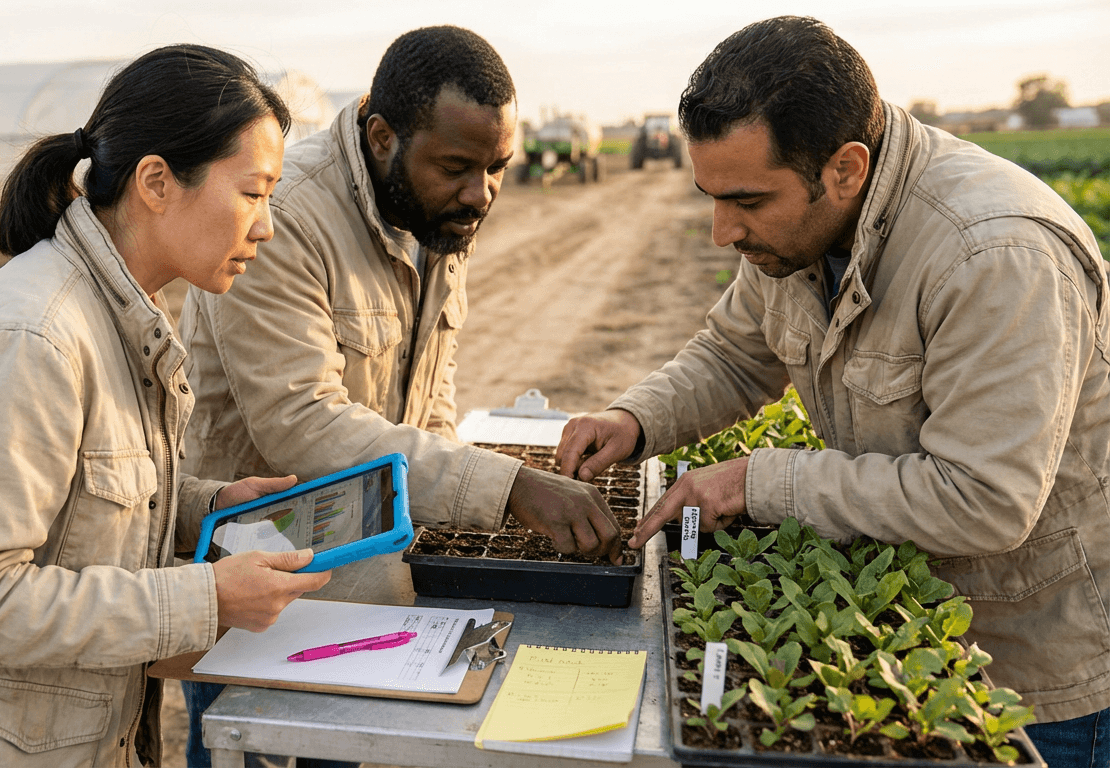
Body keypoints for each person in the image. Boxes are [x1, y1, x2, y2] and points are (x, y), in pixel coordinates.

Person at [556, 15, 1110, 768]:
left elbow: (984, 497)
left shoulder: (994, 254)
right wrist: (635, 418)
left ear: (845, 168)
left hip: (1042, 671)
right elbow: (734, 353)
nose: (723, 230)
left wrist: (759, 481)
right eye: (712, 197)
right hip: (918, 632)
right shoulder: (801, 229)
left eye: (747, 201)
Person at [0, 45, 332, 768]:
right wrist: (202, 601)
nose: (267, 225)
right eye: (253, 193)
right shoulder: (31, 341)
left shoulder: (123, 316)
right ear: (156, 181)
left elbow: (75, 496)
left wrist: (204, 503)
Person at [176, 25, 622, 768]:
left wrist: (456, 516)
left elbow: (430, 389)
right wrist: (505, 487)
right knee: (248, 741)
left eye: (498, 168)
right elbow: (301, 422)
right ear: (383, 137)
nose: (481, 193)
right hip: (268, 567)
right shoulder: (286, 215)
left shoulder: (432, 209)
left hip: (371, 561)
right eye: (457, 167)